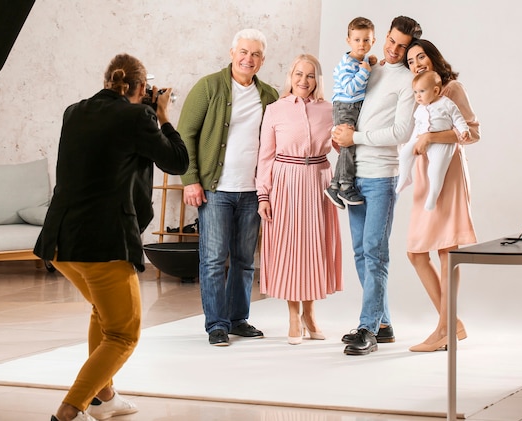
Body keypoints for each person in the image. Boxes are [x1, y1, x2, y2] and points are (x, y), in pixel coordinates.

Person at [34, 53, 189, 421]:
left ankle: (104, 396)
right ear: (140, 88)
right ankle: (69, 412)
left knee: (102, 314)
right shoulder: (139, 117)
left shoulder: (74, 111)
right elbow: (178, 162)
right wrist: (162, 114)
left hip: (59, 242)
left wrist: (145, 109)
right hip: (103, 246)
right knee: (122, 334)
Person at [177, 28, 279, 347]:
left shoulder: (269, 96)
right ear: (232, 53)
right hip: (216, 190)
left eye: (256, 54)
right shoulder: (209, 87)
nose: (249, 59)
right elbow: (184, 135)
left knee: (245, 260)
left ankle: (238, 319)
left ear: (262, 61)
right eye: (244, 52)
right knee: (213, 259)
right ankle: (216, 324)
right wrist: (190, 180)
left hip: (252, 192)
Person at [332, 16, 422, 356]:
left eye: (402, 46)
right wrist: (340, 135)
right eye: (391, 41)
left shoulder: (408, 82)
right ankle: (382, 325)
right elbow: (352, 108)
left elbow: (400, 133)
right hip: (355, 174)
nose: (394, 49)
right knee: (359, 251)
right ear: (385, 36)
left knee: (375, 252)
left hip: (383, 177)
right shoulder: (373, 68)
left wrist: (354, 136)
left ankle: (367, 327)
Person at [256, 54, 342, 345]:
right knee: (290, 248)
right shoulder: (275, 110)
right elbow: (265, 156)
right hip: (285, 182)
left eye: (310, 75)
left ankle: (310, 313)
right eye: (298, 74)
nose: (303, 81)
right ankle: (294, 315)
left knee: (314, 249)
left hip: (319, 181)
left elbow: (343, 149)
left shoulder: (330, 109)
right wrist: (263, 195)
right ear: (290, 77)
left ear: (317, 79)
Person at [403, 39, 480, 352]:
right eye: (411, 60)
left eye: (421, 56)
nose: (417, 63)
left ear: (432, 57)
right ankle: (452, 324)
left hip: (447, 174)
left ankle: (444, 328)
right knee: (416, 252)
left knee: (447, 249)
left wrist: (432, 136)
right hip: (424, 174)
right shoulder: (419, 92)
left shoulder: (452, 89)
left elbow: (472, 132)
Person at [396, 70, 471, 210]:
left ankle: (433, 195)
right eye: (415, 92)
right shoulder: (420, 109)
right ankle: (405, 177)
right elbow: (417, 127)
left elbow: (458, 118)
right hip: (421, 137)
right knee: (404, 153)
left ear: (436, 90)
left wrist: (464, 130)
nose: (417, 96)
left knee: (436, 170)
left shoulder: (446, 103)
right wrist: (413, 142)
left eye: (422, 91)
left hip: (441, 143)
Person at [324, 16, 376, 209]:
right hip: (345, 106)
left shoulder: (361, 60)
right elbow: (350, 89)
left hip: (353, 107)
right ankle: (345, 185)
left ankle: (334, 185)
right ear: (348, 41)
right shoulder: (346, 64)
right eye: (357, 40)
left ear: (373, 41)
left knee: (350, 145)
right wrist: (365, 71)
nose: (361, 44)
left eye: (366, 40)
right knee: (347, 145)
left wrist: (369, 63)